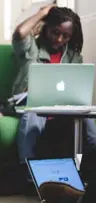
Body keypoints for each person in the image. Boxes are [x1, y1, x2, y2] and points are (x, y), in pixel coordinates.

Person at [13, 4, 96, 164]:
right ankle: (27, 168)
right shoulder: (32, 48)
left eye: (65, 36)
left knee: (86, 113)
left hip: (63, 105)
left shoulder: (73, 57)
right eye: (55, 32)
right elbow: (20, 33)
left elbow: (77, 89)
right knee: (33, 112)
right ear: (46, 28)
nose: (59, 39)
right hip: (32, 101)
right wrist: (42, 13)